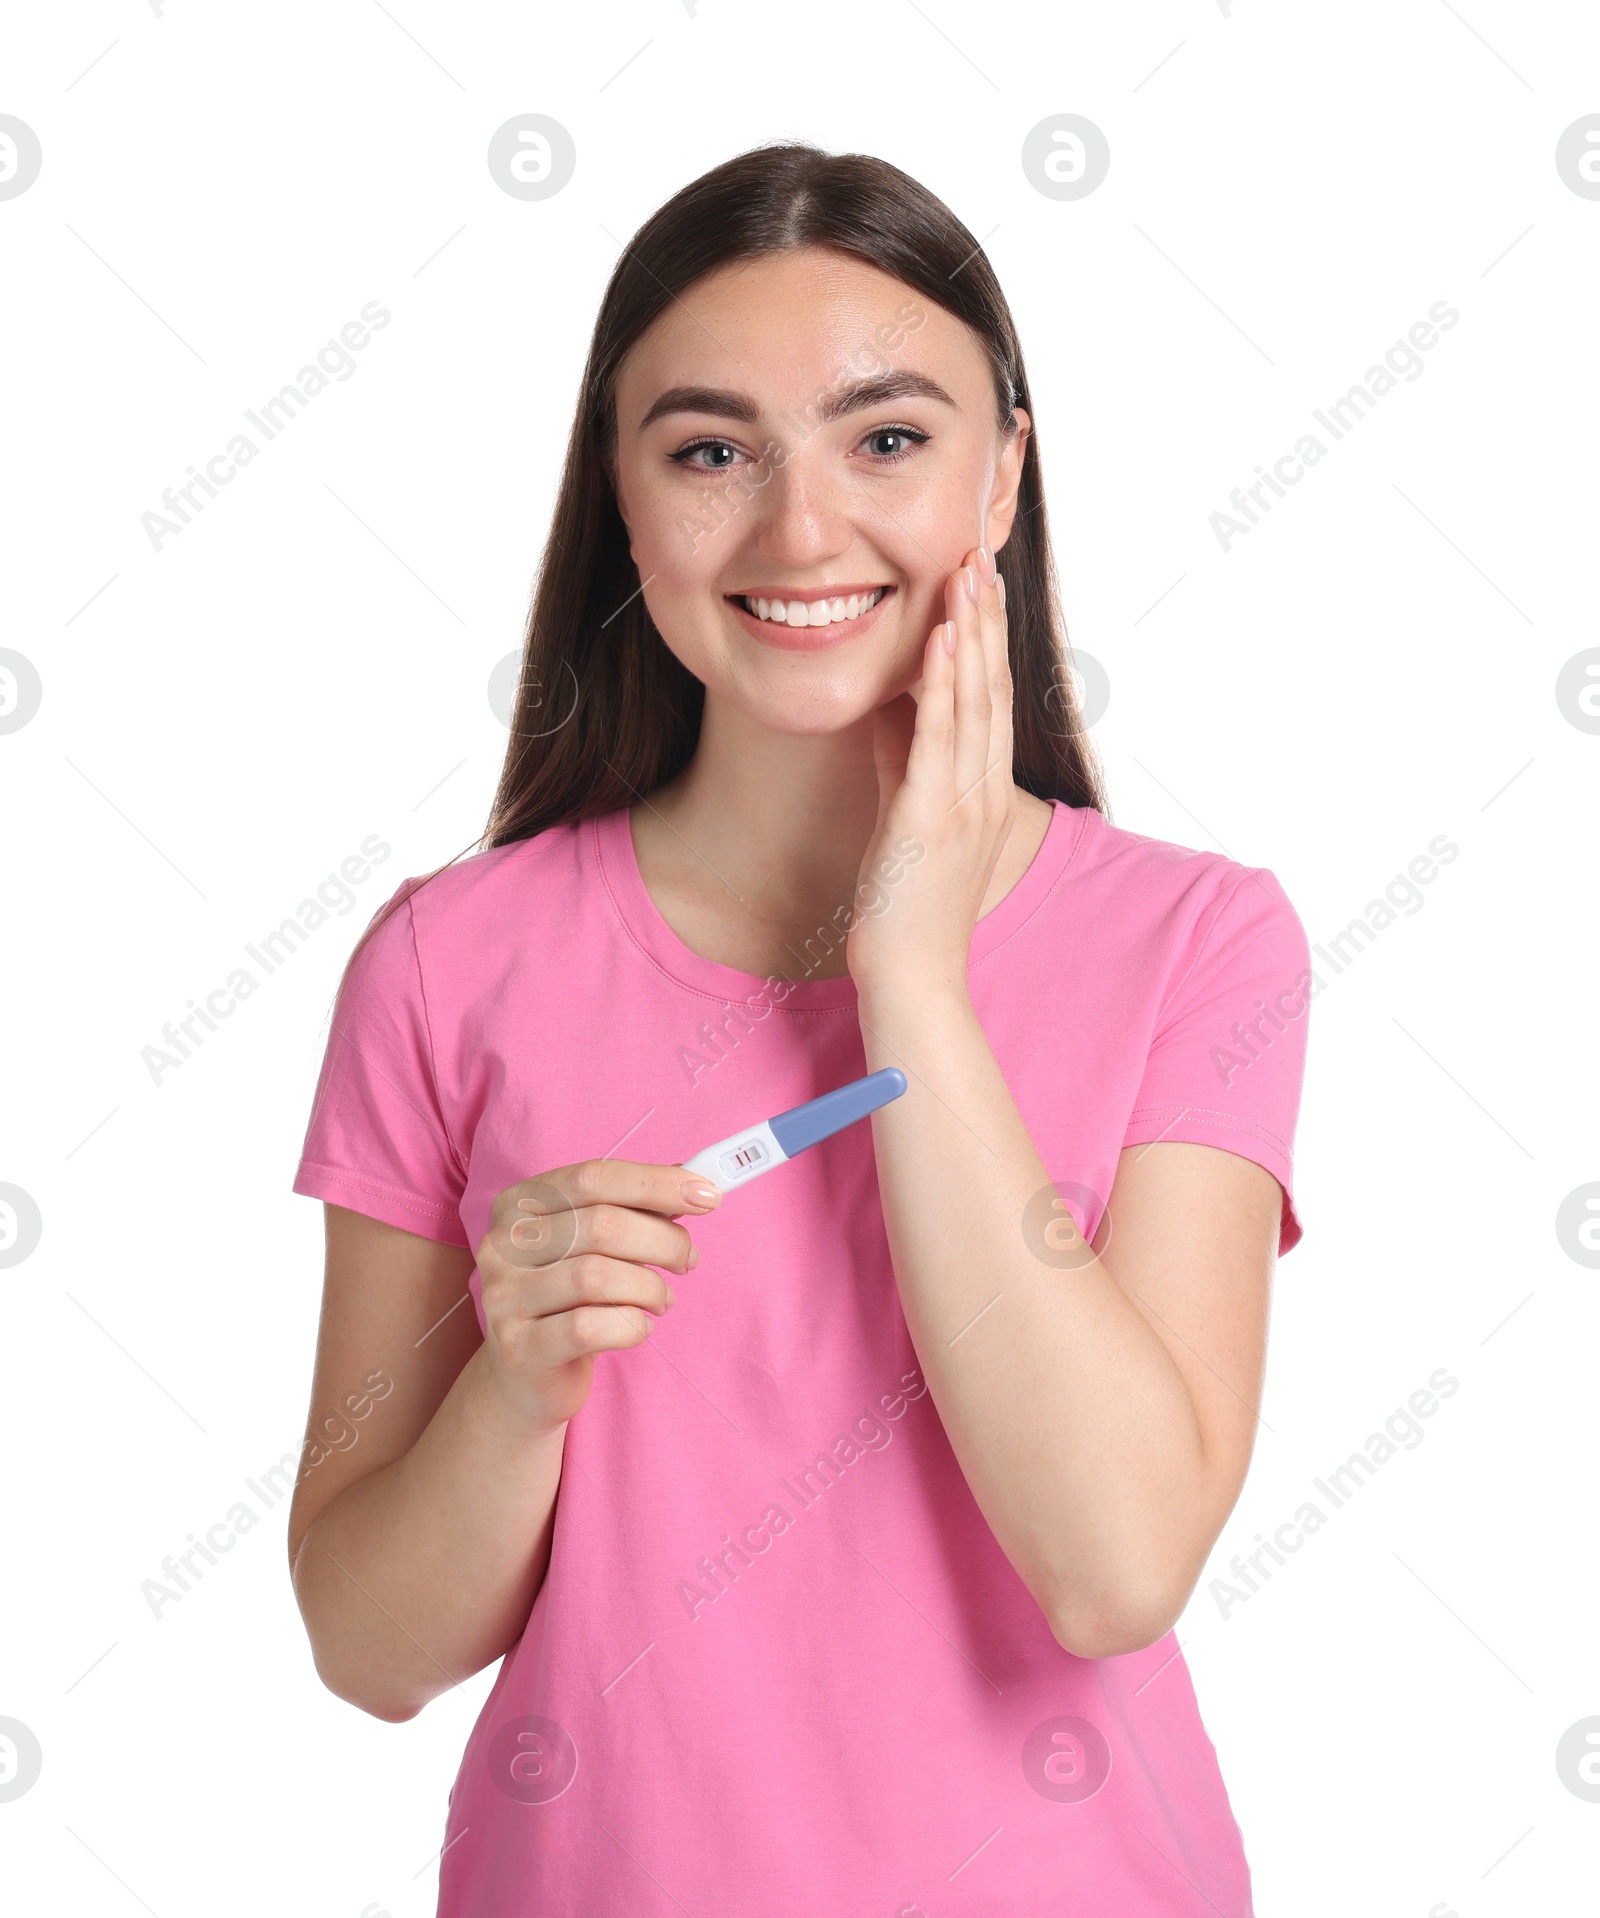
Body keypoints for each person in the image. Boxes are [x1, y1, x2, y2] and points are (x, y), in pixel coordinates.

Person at [287, 140, 1312, 1915]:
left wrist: (909, 971)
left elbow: (1117, 1564)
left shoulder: (1201, 939)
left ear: (1005, 473)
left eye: (889, 438)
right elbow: (369, 1648)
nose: (799, 528)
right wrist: (512, 1399)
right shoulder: (444, 963)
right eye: (708, 452)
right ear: (621, 499)